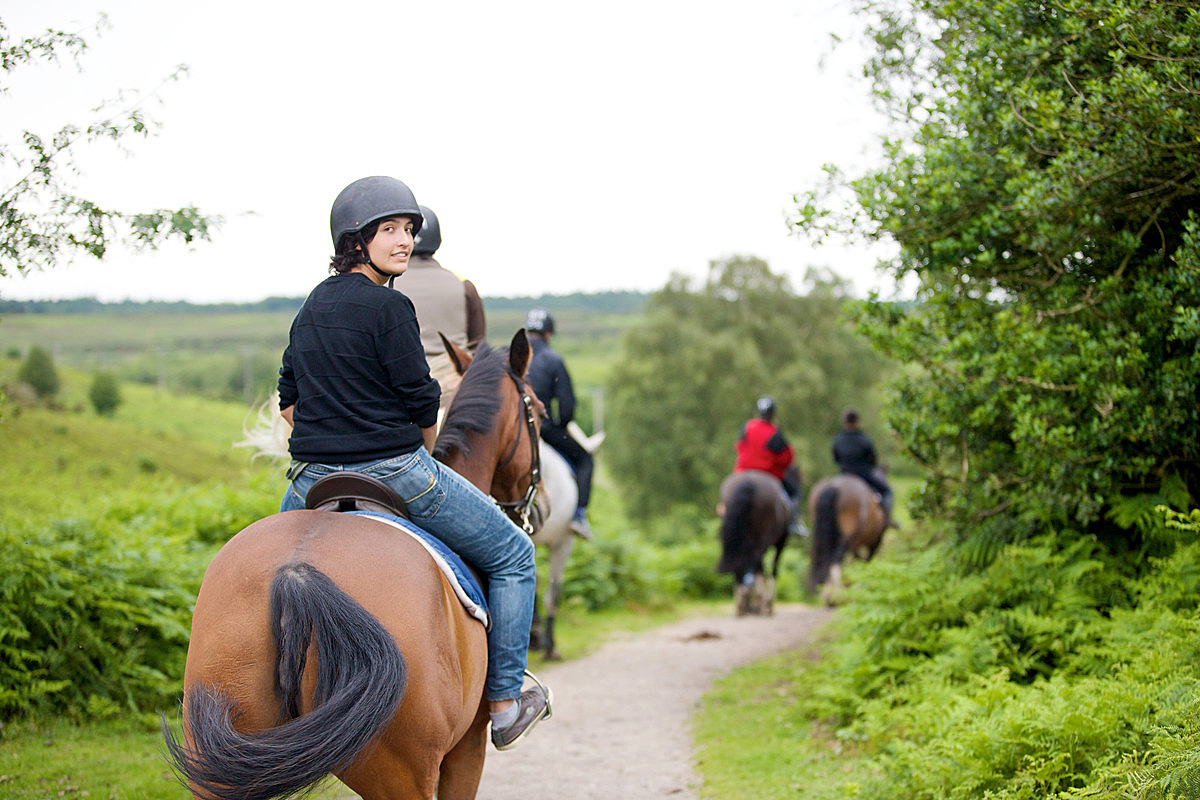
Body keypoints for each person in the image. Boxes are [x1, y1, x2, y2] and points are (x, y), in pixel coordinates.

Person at [275, 175, 551, 751]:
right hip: (395, 470)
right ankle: (503, 702)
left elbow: (290, 402)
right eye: (389, 230)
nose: (403, 241)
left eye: (408, 230)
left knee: (272, 569)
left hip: (308, 483)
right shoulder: (390, 306)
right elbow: (423, 401)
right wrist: (421, 451)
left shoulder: (309, 308)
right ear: (356, 241)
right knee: (514, 552)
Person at [399, 204, 487, 424]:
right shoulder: (463, 285)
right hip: (455, 398)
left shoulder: (386, 285)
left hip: (401, 396)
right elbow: (478, 346)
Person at [524, 308, 594, 538]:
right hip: (542, 429)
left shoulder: (507, 354)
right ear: (549, 334)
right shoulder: (553, 360)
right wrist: (560, 425)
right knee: (585, 460)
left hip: (509, 429)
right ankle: (579, 516)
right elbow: (567, 407)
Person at [734, 395, 803, 533]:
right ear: (773, 414)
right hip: (768, 473)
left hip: (743, 472)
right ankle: (793, 523)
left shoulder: (746, 427)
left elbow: (739, 446)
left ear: (758, 413)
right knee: (794, 491)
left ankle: (723, 508)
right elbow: (787, 458)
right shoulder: (774, 433)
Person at [832, 407, 897, 528]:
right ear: (857, 421)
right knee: (888, 492)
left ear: (844, 422)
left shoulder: (838, 439)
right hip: (863, 474)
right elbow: (872, 460)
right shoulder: (864, 439)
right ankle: (887, 520)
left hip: (844, 474)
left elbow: (836, 459)